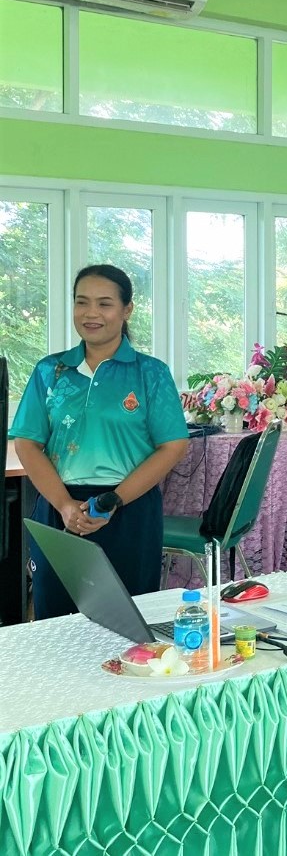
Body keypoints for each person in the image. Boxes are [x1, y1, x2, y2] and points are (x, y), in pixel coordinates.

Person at [10, 264, 189, 620]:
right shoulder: (50, 371)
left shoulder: (150, 373)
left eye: (104, 303)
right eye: (82, 302)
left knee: (128, 621)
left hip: (129, 510)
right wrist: (64, 505)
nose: (91, 313)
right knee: (55, 620)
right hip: (60, 509)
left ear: (126, 310)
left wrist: (114, 501)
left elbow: (173, 446)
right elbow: (27, 443)